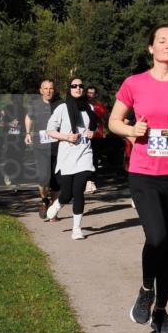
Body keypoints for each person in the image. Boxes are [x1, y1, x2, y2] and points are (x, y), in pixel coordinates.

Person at [108, 26, 168, 333]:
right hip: (144, 173)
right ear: (150, 48)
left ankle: (160, 312)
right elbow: (113, 121)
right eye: (162, 40)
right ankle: (146, 290)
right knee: (157, 237)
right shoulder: (135, 83)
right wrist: (132, 132)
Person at [45, 77, 97, 239]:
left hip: (84, 154)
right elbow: (50, 130)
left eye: (81, 86)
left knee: (78, 191)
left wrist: (93, 133)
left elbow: (95, 129)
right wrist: (66, 137)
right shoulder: (62, 108)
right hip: (67, 155)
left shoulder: (89, 108)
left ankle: (77, 229)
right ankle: (59, 203)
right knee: (67, 193)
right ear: (69, 88)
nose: (78, 88)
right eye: (74, 86)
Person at [25, 79, 60, 218]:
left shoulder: (60, 104)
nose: (48, 91)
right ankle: (44, 200)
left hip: (58, 147)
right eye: (45, 88)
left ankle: (54, 210)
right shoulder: (35, 105)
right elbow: (28, 117)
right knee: (43, 178)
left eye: (51, 88)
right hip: (40, 147)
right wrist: (28, 133)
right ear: (41, 91)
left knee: (56, 181)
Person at [85, 86, 108, 193]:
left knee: (94, 159)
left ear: (96, 95)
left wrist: (97, 115)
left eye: (92, 93)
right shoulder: (83, 105)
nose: (90, 95)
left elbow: (105, 119)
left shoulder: (100, 106)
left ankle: (92, 181)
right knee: (86, 158)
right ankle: (85, 180)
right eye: (88, 93)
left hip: (97, 136)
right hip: (85, 136)